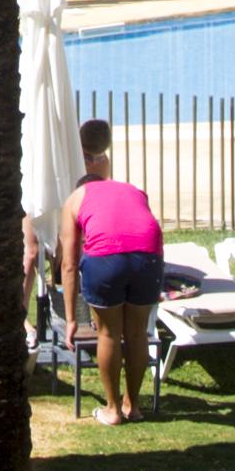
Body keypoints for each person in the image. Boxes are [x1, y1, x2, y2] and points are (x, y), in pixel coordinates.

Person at [55, 123, 168, 424]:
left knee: (108, 333)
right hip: (148, 257)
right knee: (136, 333)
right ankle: (135, 406)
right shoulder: (131, 189)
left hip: (107, 259)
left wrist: (70, 320)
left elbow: (68, 263)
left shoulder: (75, 199)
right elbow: (152, 231)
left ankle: (112, 409)